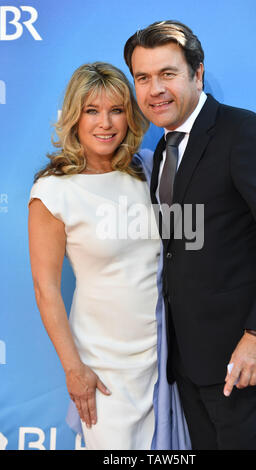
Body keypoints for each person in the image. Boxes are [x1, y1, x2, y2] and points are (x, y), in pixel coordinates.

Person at [124, 20, 256, 450]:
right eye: (143, 78)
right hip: (188, 367)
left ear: (197, 74)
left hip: (247, 364)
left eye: (168, 74)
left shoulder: (244, 134)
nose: (154, 90)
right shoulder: (162, 152)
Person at [28, 62, 163, 450]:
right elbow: (46, 289)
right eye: (92, 111)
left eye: (116, 110)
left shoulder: (149, 171)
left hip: (164, 360)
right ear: (74, 117)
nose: (105, 123)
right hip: (103, 366)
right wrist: (75, 370)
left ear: (130, 115)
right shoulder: (54, 190)